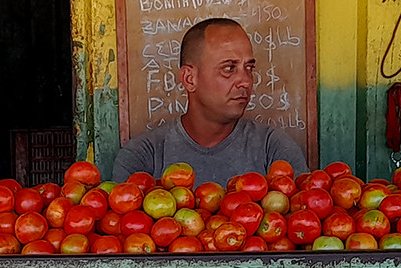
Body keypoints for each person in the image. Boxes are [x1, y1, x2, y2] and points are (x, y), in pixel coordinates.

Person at [112, 17, 308, 186]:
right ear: (189, 79)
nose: (246, 81)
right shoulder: (143, 157)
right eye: (229, 68)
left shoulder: (275, 150)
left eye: (249, 68)